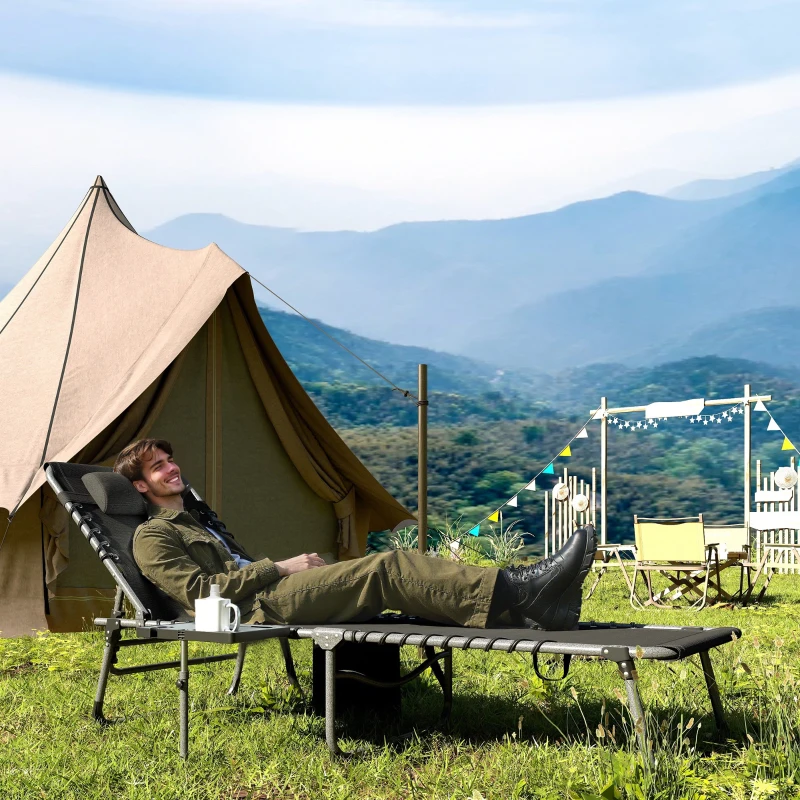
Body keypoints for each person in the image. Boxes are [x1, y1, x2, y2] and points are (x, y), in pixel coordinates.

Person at [118, 438, 597, 630]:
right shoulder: (151, 537)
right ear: (141, 486)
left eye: (170, 460)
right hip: (254, 609)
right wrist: (279, 568)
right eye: (158, 467)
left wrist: (286, 571)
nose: (172, 468)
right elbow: (200, 593)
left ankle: (527, 612)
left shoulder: (197, 520)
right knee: (386, 568)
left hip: (270, 592)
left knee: (389, 573)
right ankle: (523, 588)